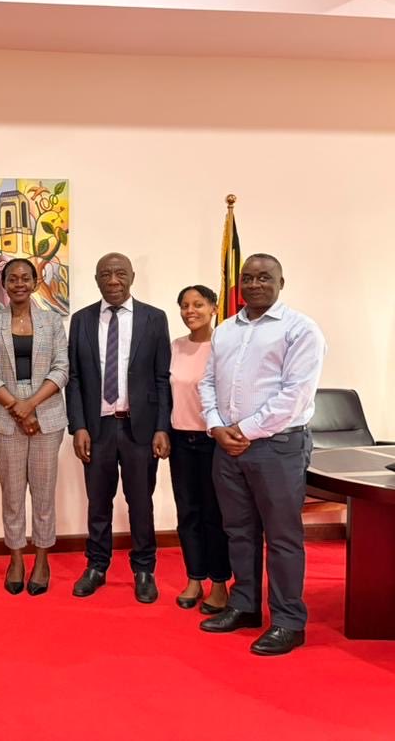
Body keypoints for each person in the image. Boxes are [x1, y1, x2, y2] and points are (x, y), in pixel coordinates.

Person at [199, 254, 325, 655]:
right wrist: (216, 426)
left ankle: (289, 621)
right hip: (228, 447)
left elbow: (295, 395)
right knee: (239, 532)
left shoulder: (301, 330)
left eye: (264, 278)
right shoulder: (224, 330)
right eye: (248, 278)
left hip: (277, 447)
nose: (254, 284)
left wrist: (243, 430)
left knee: (283, 537)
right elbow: (207, 383)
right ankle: (245, 605)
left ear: (281, 282)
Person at [66, 252, 171, 603]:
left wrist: (162, 427)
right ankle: (96, 565)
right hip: (97, 429)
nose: (113, 280)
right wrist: (78, 425)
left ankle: (144, 569)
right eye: (105, 274)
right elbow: (76, 379)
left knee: (140, 502)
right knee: (98, 502)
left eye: (120, 273)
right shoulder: (81, 320)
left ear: (132, 277)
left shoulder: (154, 319)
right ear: (96, 279)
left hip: (140, 429)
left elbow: (161, 377)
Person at [0, 258, 69, 596]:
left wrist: (30, 404)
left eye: (25, 277)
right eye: (12, 278)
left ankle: (42, 559)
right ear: (3, 283)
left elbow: (62, 368)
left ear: (36, 280)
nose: (18, 283)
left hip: (47, 414)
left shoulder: (51, 321)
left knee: (44, 493)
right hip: (5, 416)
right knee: (13, 493)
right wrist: (16, 406)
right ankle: (16, 557)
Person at [168, 284, 230, 613]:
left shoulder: (224, 345)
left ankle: (219, 582)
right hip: (180, 440)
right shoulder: (174, 346)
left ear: (214, 307)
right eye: (185, 305)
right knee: (187, 513)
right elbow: (165, 394)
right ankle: (194, 577)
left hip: (213, 441)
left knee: (214, 515)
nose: (190, 311)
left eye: (198, 304)